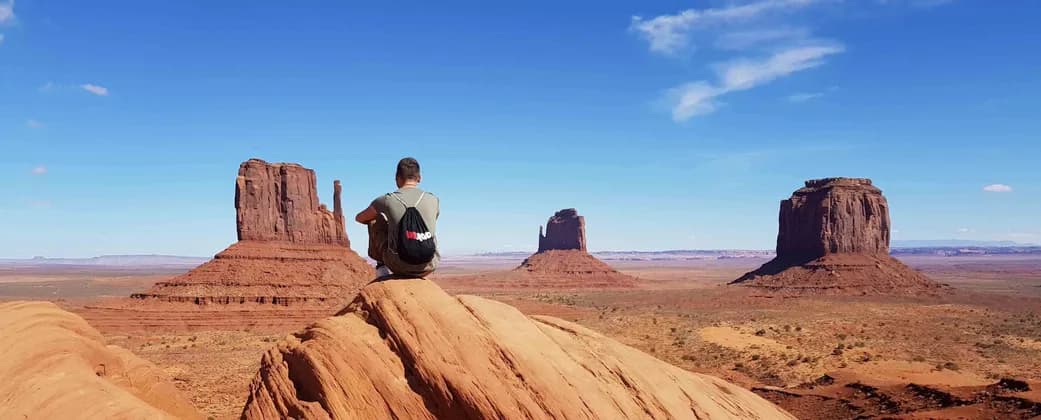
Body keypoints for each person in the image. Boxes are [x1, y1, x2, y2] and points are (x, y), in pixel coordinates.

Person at [355, 157, 440, 278]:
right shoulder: (433, 199)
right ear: (419, 178)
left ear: (397, 178)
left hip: (398, 265)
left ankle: (381, 268)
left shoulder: (386, 200)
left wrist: (390, 225)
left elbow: (360, 218)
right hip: (429, 264)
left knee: (375, 219)